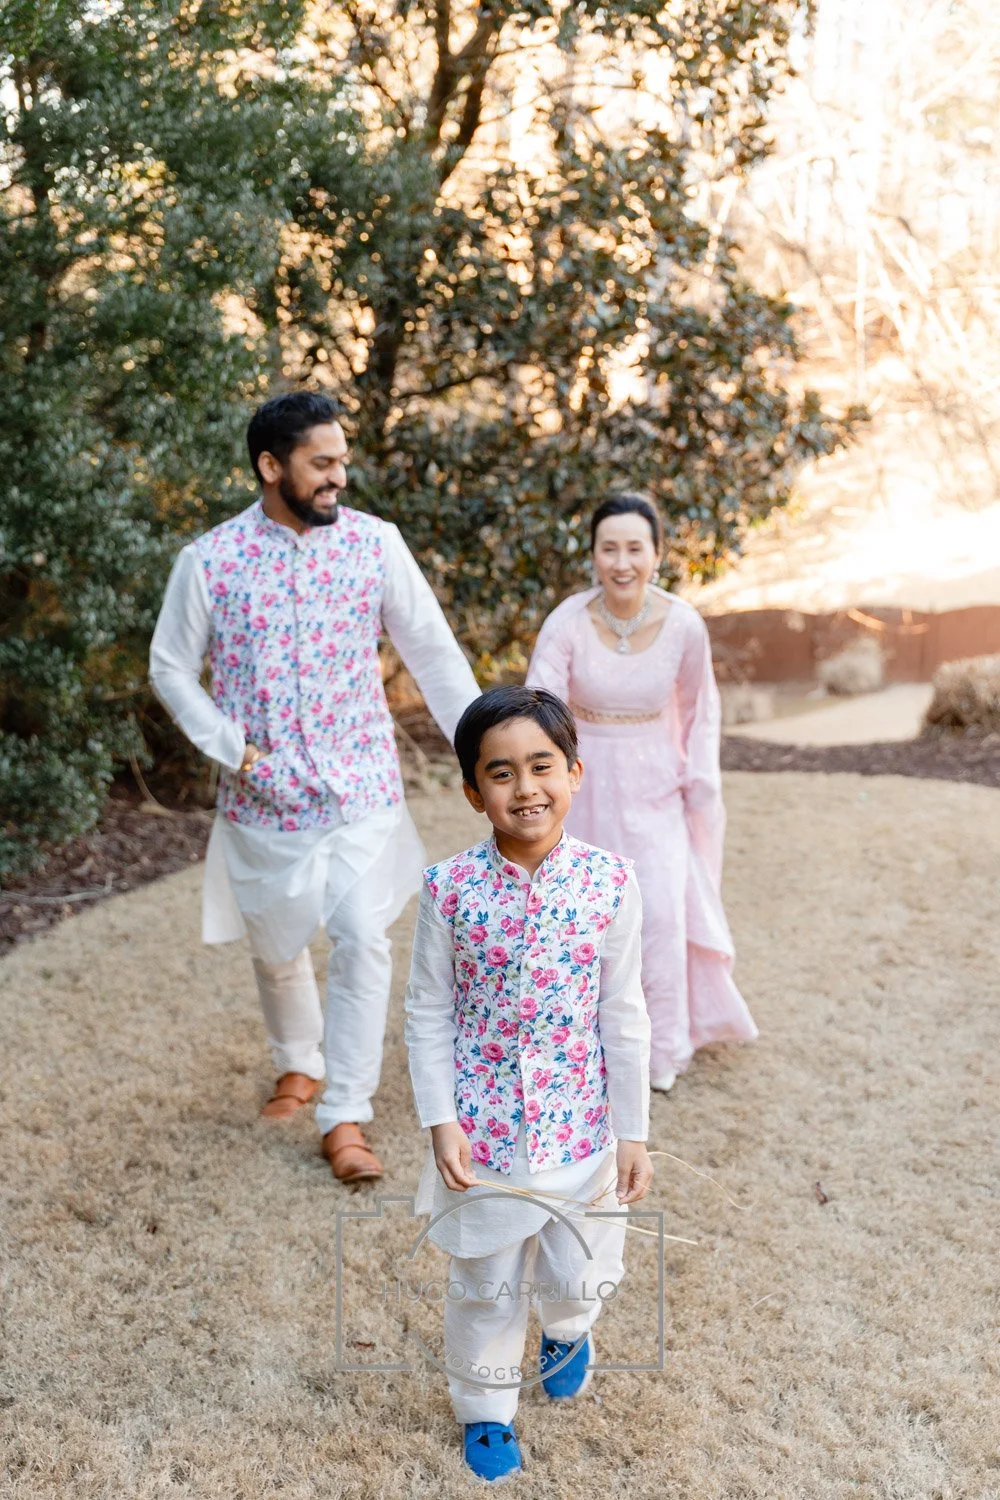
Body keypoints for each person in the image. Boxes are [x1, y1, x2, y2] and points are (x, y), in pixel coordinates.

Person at [149, 390, 479, 1183]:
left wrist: (482, 742)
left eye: (341, 461)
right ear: (271, 466)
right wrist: (235, 750)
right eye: (321, 463)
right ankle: (298, 1062)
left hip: (361, 790)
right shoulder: (210, 562)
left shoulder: (375, 545)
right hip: (264, 801)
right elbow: (169, 667)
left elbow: (432, 652)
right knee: (278, 944)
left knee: (363, 937)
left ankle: (346, 1113)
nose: (339, 477)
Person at [404, 685, 652, 1482]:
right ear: (474, 791)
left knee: (577, 1270)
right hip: (484, 1141)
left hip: (581, 1130)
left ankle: (569, 1328)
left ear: (575, 773)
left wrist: (633, 1129)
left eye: (541, 766)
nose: (525, 788)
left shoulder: (610, 883)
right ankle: (486, 1412)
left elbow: (623, 1010)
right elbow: (426, 1011)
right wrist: (440, 1120)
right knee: (486, 1287)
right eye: (501, 774)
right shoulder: (448, 890)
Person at [525, 491, 757, 1092]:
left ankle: (661, 1051)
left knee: (656, 914)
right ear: (594, 554)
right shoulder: (568, 622)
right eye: (609, 548)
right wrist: (543, 785)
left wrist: (700, 784)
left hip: (658, 787)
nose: (621, 562)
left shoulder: (683, 624)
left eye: (635, 548)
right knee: (580, 916)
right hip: (582, 783)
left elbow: (701, 710)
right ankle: (575, 1046)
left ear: (656, 554)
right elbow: (539, 708)